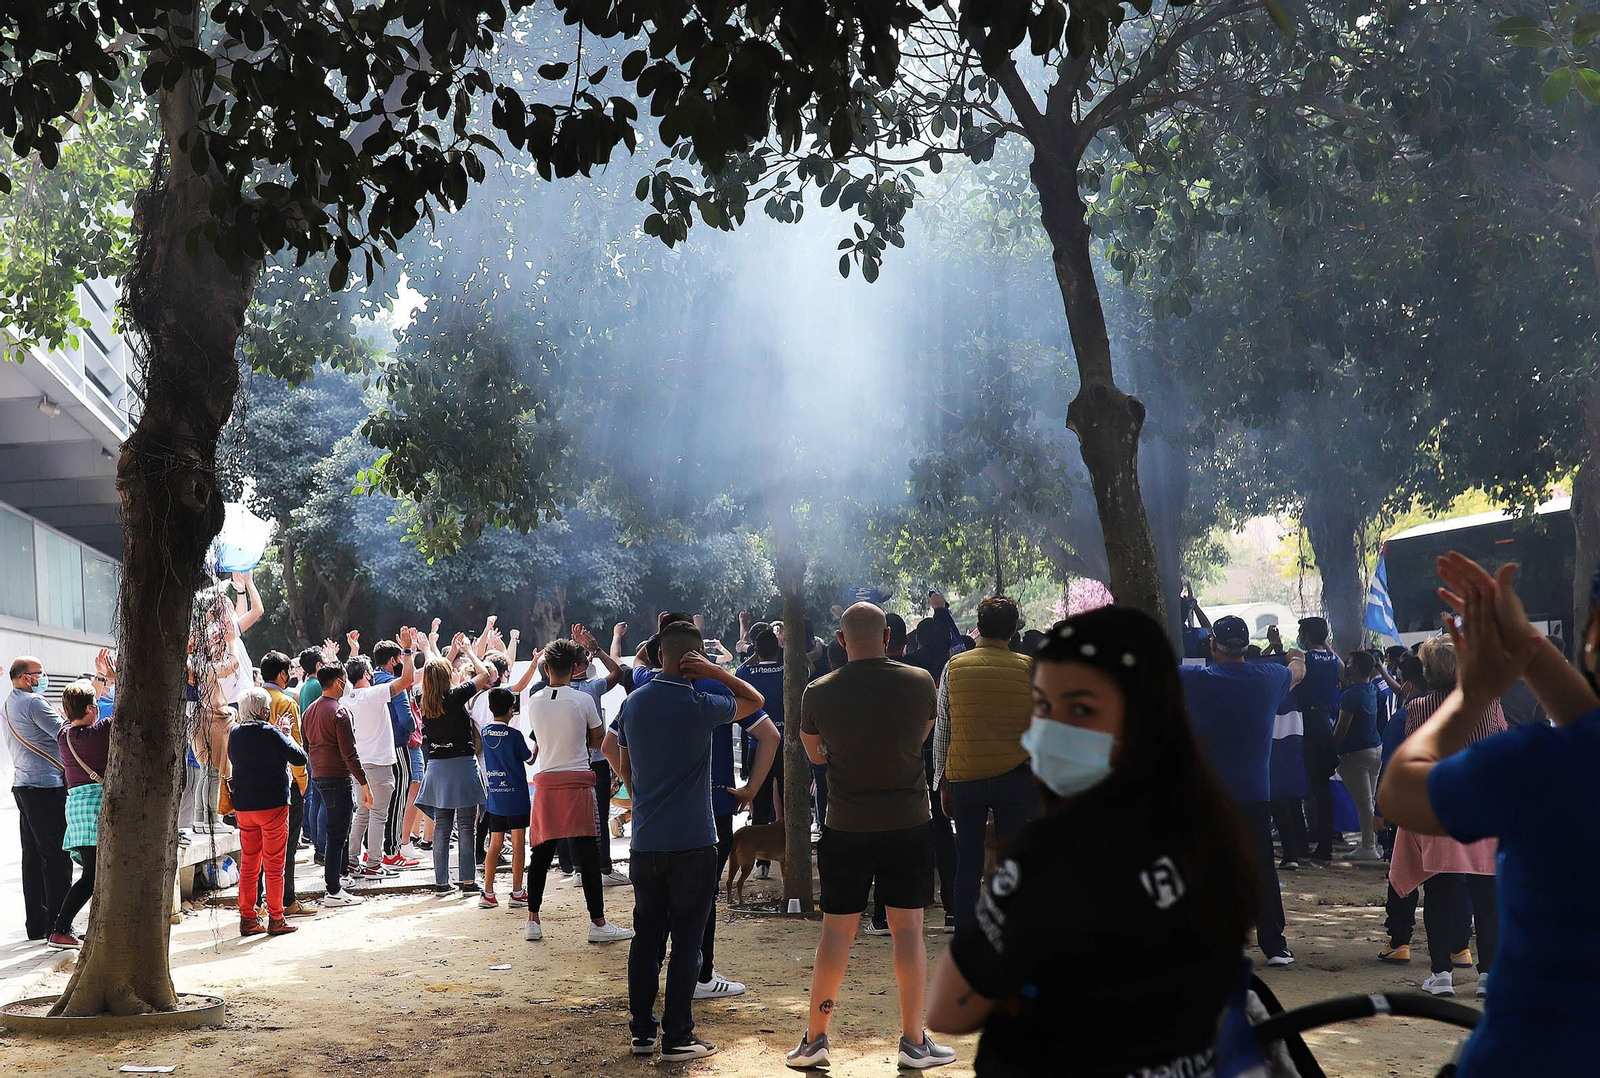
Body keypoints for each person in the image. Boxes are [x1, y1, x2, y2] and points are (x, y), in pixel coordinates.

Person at [926, 608, 1259, 1078]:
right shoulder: (1208, 834)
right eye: (1043, 707)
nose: (1052, 729)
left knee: (965, 865)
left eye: (1080, 709)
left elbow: (947, 1011)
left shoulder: (1053, 856)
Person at [1380, 554, 1600, 1072]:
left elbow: (1400, 791)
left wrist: (1473, 692)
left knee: (1445, 896)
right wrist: (1527, 649)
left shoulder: (1544, 765)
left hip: (1535, 1055)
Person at [786, 603, 956, 1071]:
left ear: (841, 641)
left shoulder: (817, 691)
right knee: (909, 931)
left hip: (845, 825)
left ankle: (817, 1038)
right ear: (887, 637)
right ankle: (914, 1040)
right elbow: (923, 737)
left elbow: (816, 757)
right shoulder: (921, 680)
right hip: (908, 823)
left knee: (836, 934)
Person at [615, 620, 765, 1062]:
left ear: (659, 655)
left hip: (646, 840)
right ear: (693, 659)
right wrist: (715, 672)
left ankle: (641, 1032)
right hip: (694, 841)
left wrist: (644, 797)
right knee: (687, 942)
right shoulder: (703, 702)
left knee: (646, 938)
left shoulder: (634, 704)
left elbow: (621, 762)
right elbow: (754, 701)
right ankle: (678, 1035)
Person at [1179, 615, 1304, 965]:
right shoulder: (1272, 677)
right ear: (1246, 647)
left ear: (1212, 646)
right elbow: (1297, 671)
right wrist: (1295, 654)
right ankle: (1275, 944)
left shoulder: (1193, 678)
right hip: (1254, 792)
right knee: (1261, 865)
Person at [1383, 635, 1502, 997]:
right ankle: (1488, 976)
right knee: (1486, 894)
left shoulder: (1417, 707)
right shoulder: (1490, 703)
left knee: (1439, 890)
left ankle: (1442, 974)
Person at [932, 596, 1036, 934]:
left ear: (979, 627)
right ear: (1011, 629)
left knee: (968, 861)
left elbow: (943, 729)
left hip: (965, 778)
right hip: (1015, 779)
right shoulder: (1028, 668)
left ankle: (965, 932)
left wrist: (941, 781)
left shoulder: (955, 667)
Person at [522, 640, 633, 941]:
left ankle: (533, 920)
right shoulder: (584, 700)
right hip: (577, 780)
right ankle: (598, 923)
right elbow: (598, 740)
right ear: (575, 668)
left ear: (546, 669)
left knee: (541, 854)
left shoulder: (535, 700)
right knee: (587, 853)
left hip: (546, 781)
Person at [414, 638, 491, 894]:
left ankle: (441, 882)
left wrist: (426, 649)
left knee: (442, 826)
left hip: (436, 767)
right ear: (448, 677)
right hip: (462, 764)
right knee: (467, 824)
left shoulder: (422, 700)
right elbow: (485, 674)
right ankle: (468, 881)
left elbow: (432, 672)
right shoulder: (456, 696)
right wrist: (469, 651)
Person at [228, 687, 307, 936]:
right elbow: (299, 758)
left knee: (250, 864)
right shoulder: (272, 733)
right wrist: (286, 734)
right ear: (264, 711)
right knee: (274, 864)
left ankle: (248, 917)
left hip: (244, 806)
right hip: (272, 804)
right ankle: (276, 917)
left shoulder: (236, 734)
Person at [5, 655, 71, 943]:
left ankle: (37, 924)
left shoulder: (10, 702)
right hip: (45, 787)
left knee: (32, 858)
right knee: (56, 856)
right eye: (39, 673)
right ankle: (59, 925)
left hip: (24, 786)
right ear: (24, 678)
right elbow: (64, 732)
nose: (43, 677)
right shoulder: (33, 702)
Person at [340, 632, 416, 878]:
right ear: (365, 675)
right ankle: (373, 863)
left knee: (362, 812)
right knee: (378, 814)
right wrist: (407, 651)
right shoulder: (374, 694)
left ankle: (352, 861)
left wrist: (354, 651)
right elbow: (406, 679)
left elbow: (351, 674)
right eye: (369, 672)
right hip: (379, 764)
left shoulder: (347, 697)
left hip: (358, 765)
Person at [301, 662, 373, 908]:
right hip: (337, 778)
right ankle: (334, 888)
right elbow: (349, 753)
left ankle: (337, 884)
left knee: (335, 833)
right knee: (337, 835)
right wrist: (364, 783)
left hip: (319, 776)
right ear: (340, 681)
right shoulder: (340, 712)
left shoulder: (309, 711)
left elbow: (307, 746)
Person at [50, 679, 106, 949]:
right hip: (95, 811)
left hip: (75, 811)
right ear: (91, 709)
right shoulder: (101, 732)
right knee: (91, 877)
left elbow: (68, 719)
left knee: (90, 872)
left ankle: (67, 928)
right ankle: (61, 929)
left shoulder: (64, 735)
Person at [259, 651, 314, 917]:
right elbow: (295, 747)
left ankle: (257, 902)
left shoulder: (252, 699)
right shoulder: (286, 703)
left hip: (256, 782)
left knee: (257, 848)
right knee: (287, 846)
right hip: (285, 783)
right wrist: (302, 782)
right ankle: (287, 900)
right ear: (282, 675)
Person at [371, 636, 423, 865]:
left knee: (374, 804)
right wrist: (413, 727)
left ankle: (372, 852)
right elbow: (406, 720)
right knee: (399, 798)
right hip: (398, 746)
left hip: (372, 748)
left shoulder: (368, 681)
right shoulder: (395, 684)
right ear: (393, 660)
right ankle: (392, 851)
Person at [479, 686, 532, 910]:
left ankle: (488, 892)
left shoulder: (485, 732)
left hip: (496, 797)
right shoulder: (514, 735)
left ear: (490, 709)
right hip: (517, 796)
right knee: (518, 843)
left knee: (495, 843)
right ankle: (517, 891)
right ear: (512, 710)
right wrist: (538, 743)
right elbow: (529, 759)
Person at [1296, 617, 1343, 861]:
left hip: (1307, 723)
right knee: (1322, 789)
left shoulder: (1304, 659)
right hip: (1325, 722)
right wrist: (1326, 644)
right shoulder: (1334, 659)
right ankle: (1325, 843)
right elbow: (1343, 670)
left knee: (1303, 785)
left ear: (1305, 636)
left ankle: (1302, 843)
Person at [1332, 650, 1383, 859]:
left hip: (1356, 754)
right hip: (1375, 749)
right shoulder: (1370, 689)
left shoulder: (1351, 696)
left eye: (1350, 663)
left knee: (1363, 803)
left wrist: (1331, 749)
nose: (1347, 666)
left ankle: (1368, 847)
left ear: (1358, 668)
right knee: (1368, 800)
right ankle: (1372, 843)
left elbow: (1342, 728)